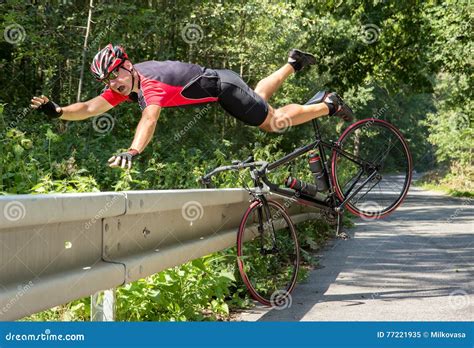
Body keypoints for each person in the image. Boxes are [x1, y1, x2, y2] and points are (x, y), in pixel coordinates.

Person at [31, 44, 353, 169]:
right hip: (224, 85)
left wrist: (133, 150)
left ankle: (327, 105)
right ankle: (293, 64)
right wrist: (58, 111)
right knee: (259, 98)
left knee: (273, 121)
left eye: (116, 73)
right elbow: (89, 108)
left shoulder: (147, 82)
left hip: (224, 89)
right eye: (108, 80)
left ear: (127, 64)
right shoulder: (126, 83)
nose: (114, 83)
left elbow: (150, 118)